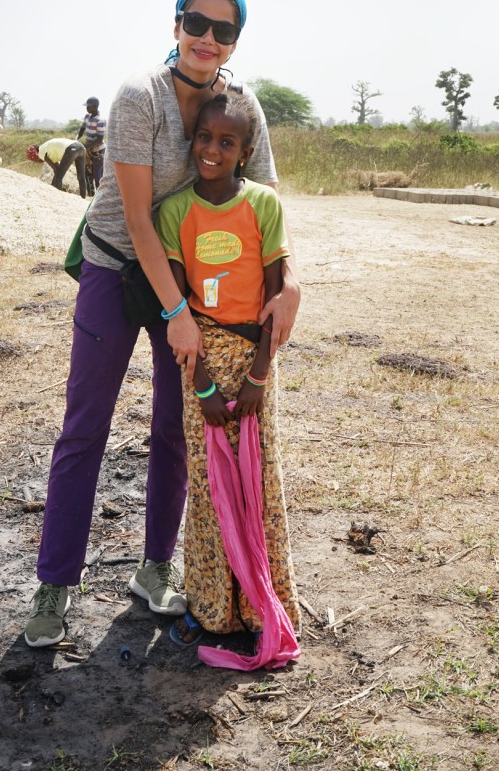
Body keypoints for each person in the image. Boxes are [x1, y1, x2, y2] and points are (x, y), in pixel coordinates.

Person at [24, 0, 301, 649]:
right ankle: (54, 584)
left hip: (190, 281)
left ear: (236, 40)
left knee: (178, 427)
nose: (207, 38)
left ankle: (155, 567)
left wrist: (290, 282)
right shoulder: (138, 96)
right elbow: (139, 221)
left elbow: (265, 208)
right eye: (195, 23)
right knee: (85, 425)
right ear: (175, 25)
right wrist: (175, 312)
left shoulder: (242, 107)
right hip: (118, 267)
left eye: (223, 30)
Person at [155, 91, 301, 652]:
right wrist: (203, 387)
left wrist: (258, 378)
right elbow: (181, 314)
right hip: (201, 361)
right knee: (208, 484)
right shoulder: (175, 212)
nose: (212, 150)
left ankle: (263, 607)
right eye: (204, 137)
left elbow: (274, 300)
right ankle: (214, 609)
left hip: (255, 359)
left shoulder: (263, 204)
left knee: (259, 481)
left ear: (246, 152)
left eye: (227, 141)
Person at [77, 96, 106, 196]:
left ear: (94, 107)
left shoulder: (100, 120)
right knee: (87, 173)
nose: (87, 108)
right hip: (89, 149)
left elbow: (99, 140)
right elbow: (82, 129)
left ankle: (100, 197)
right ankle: (91, 195)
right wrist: (76, 138)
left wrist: (85, 147)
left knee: (97, 176)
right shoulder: (87, 117)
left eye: (88, 106)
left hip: (98, 151)